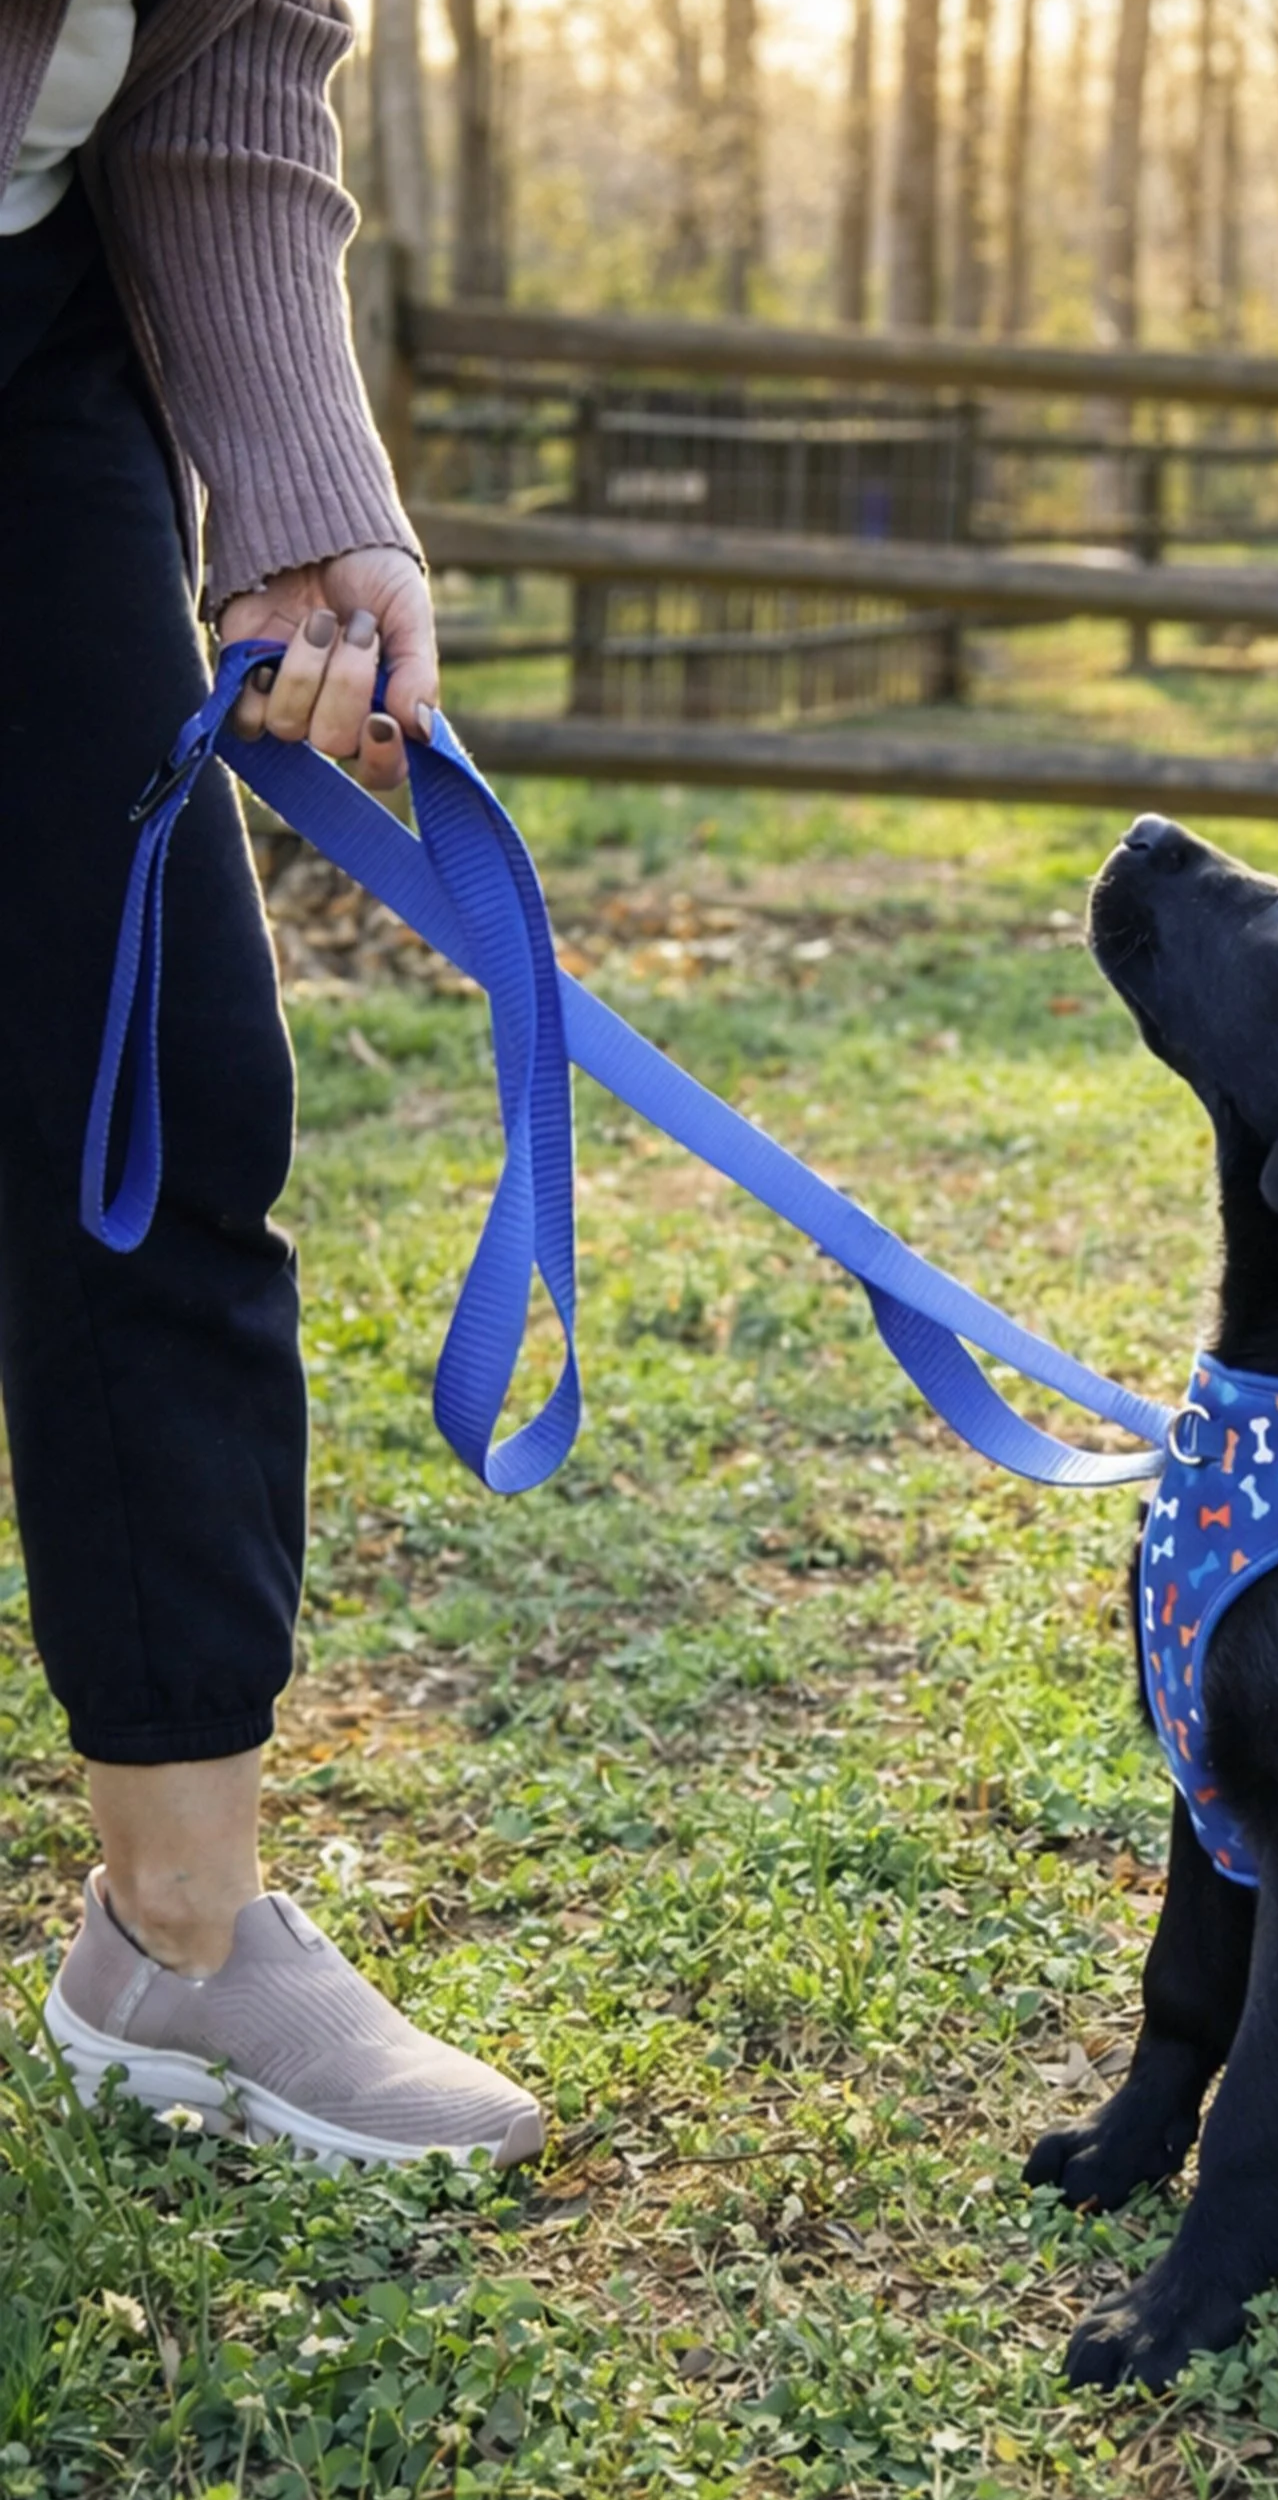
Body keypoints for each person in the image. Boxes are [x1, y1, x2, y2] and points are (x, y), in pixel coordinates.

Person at [3, 0, 540, 2164]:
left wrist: (307, 502)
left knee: (163, 1106)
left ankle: (184, 1938)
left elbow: (227, 65)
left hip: (35, 336)